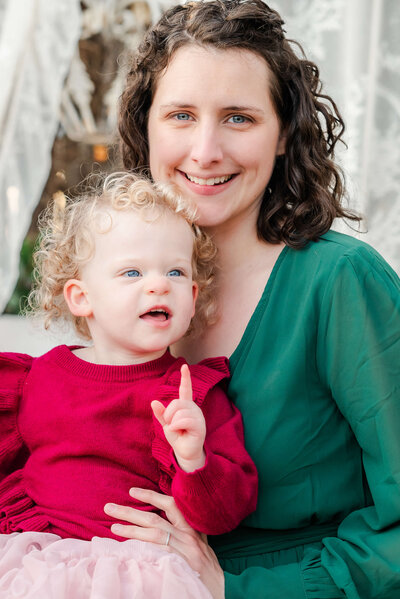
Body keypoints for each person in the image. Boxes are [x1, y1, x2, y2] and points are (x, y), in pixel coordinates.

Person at [106, 1, 400, 598]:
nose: (206, 149)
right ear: (147, 127)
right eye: (181, 114)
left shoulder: (341, 283)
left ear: (286, 133)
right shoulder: (120, 281)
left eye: (238, 117)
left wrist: (234, 590)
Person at [0, 173, 258, 598]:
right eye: (132, 272)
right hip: (37, 565)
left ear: (192, 297)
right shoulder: (36, 380)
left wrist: (194, 459)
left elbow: (225, 513)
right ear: (81, 297)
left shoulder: (190, 394)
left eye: (175, 271)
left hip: (139, 574)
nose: (158, 284)